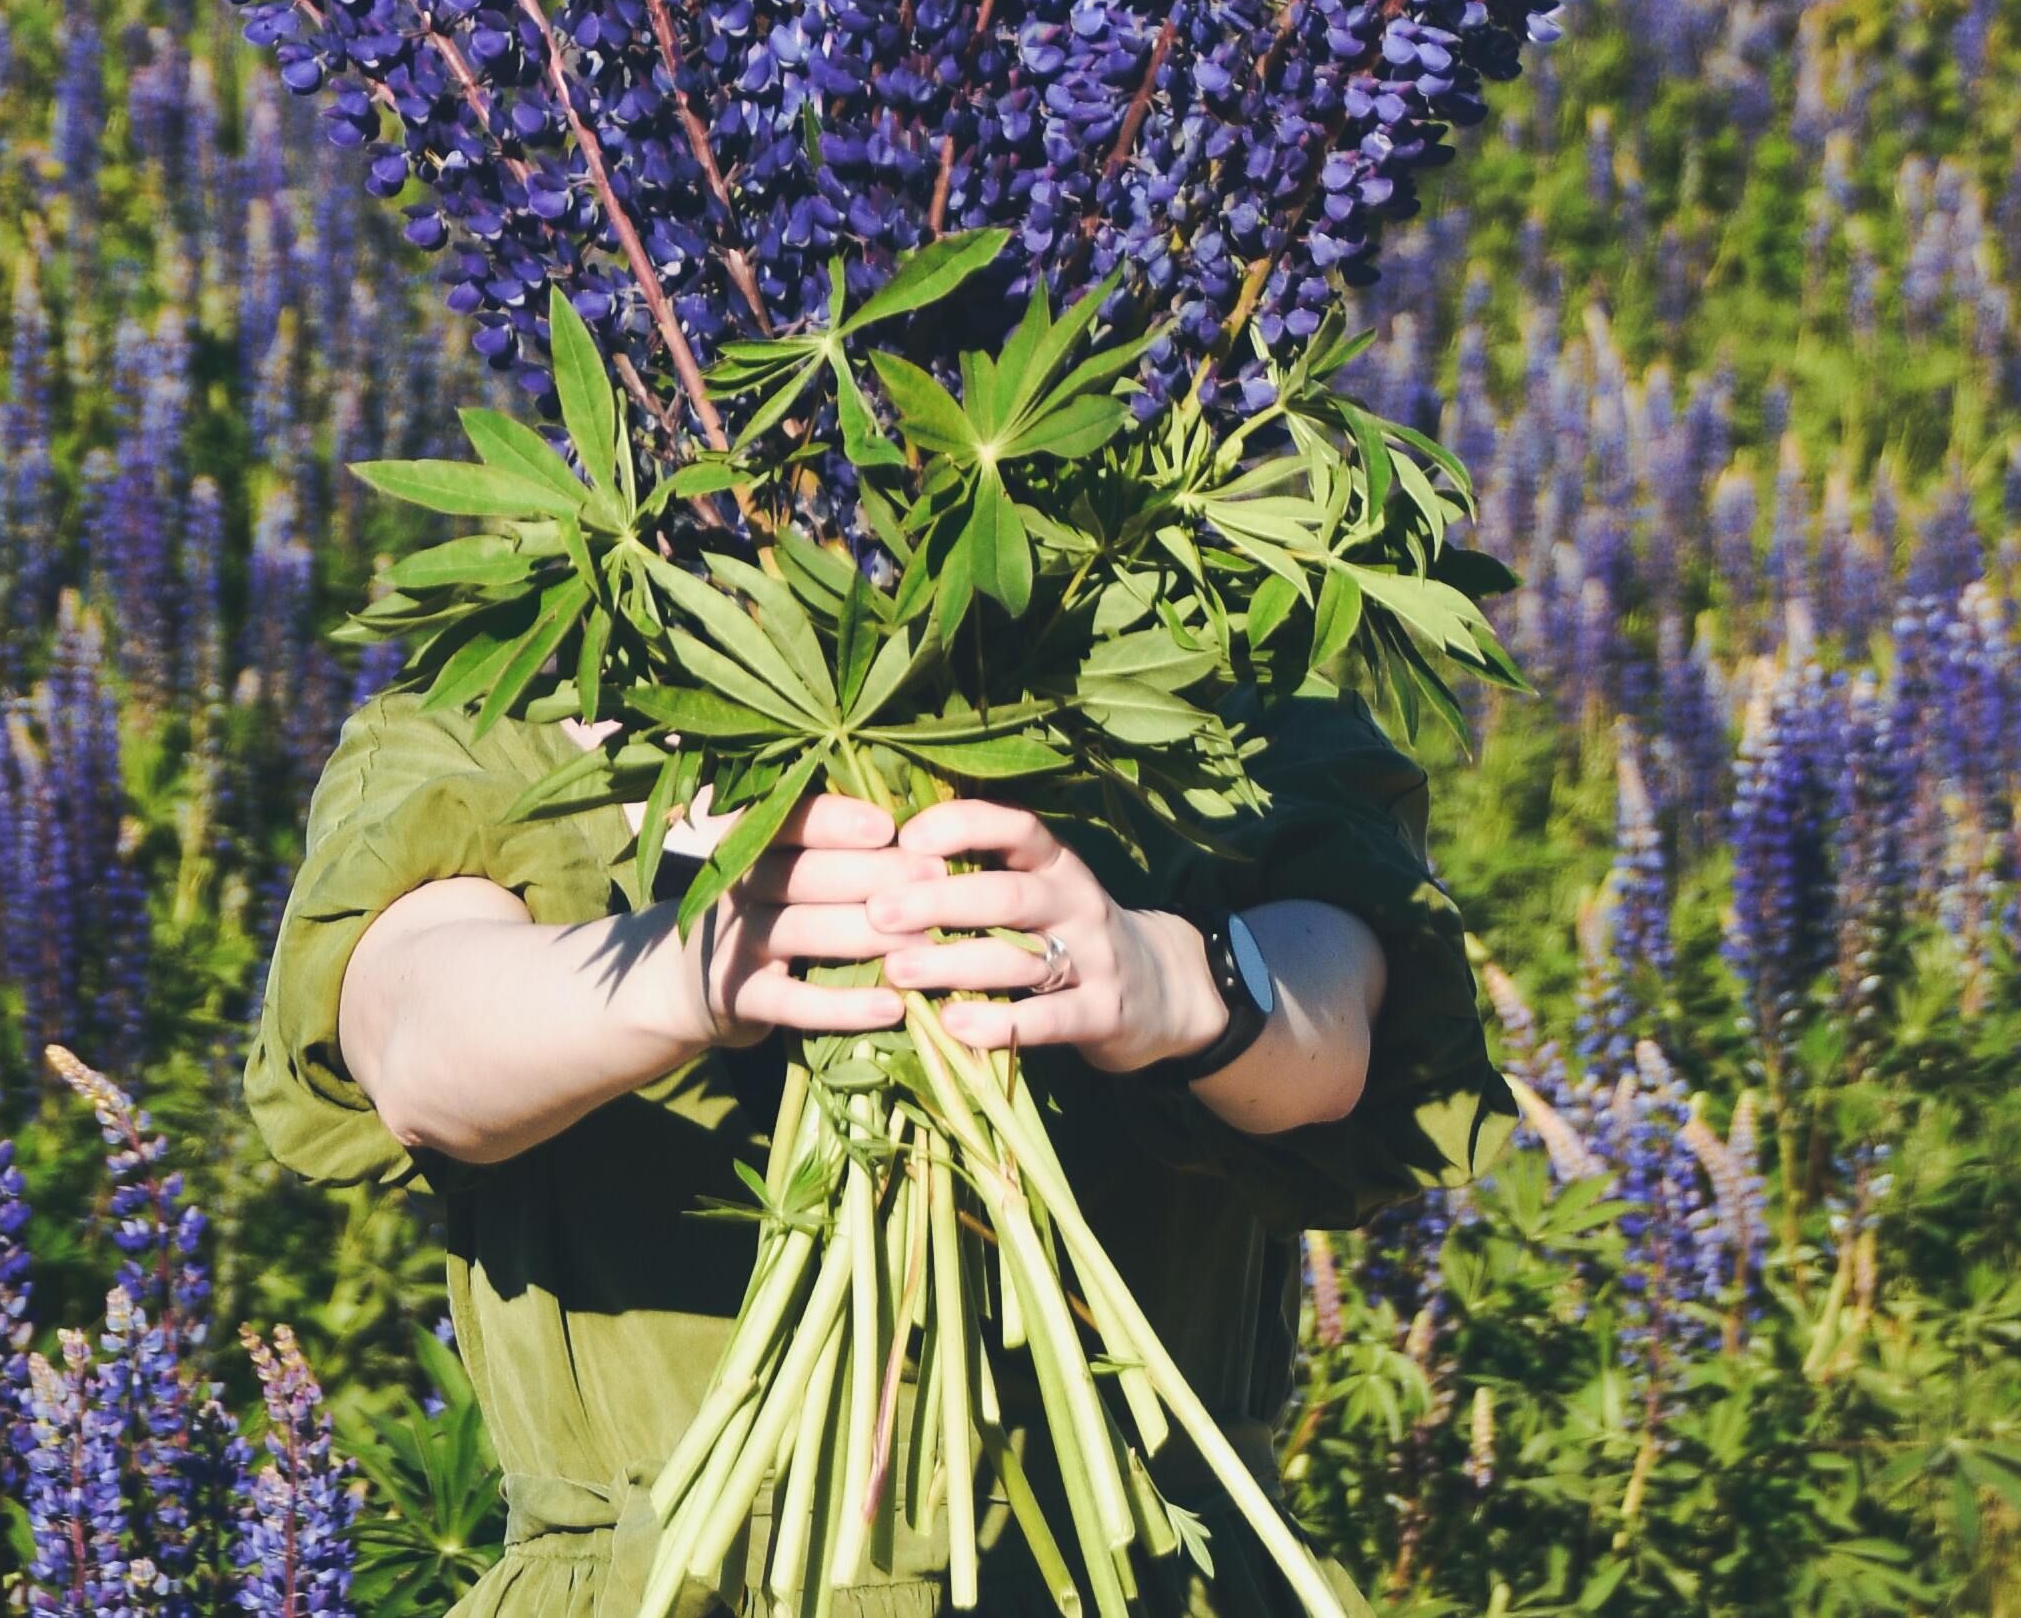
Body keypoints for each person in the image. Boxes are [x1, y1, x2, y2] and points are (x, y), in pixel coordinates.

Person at [250, 687, 1513, 1618]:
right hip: (670, 1588)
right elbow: (403, 1033)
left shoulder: (1190, 691)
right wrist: (684, 969)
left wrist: (1179, 979)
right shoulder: (504, 723)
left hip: (1145, 1575)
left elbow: (1343, 1010)